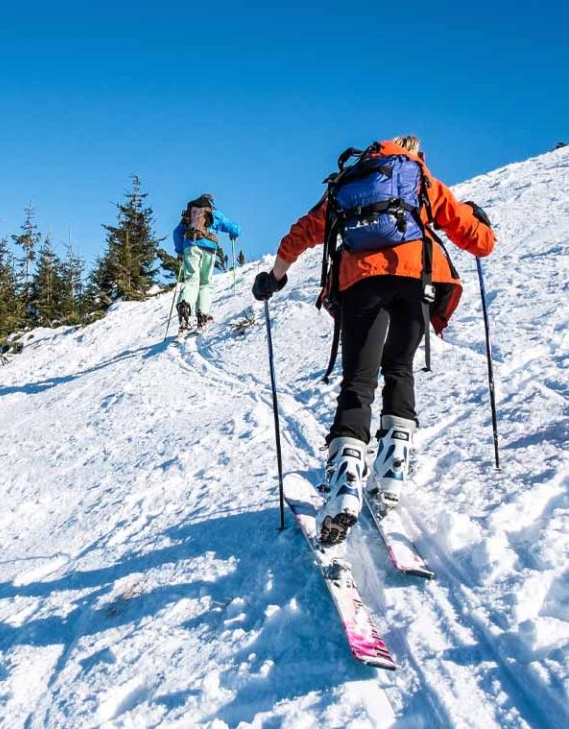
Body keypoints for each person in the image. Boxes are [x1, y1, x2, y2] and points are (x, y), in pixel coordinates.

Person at [252, 136, 496, 544]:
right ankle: (391, 472)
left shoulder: (349, 184)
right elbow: (480, 243)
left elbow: (301, 233)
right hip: (418, 281)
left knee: (358, 382)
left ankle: (345, 484)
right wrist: (481, 222)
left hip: (361, 283)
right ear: (414, 153)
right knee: (400, 368)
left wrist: (273, 278)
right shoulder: (420, 178)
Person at [173, 194, 240, 331]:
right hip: (209, 248)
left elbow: (177, 233)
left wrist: (180, 250)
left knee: (191, 280)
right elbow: (233, 227)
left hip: (190, 246)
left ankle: (184, 305)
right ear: (210, 203)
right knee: (205, 282)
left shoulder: (190, 214)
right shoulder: (214, 213)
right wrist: (234, 234)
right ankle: (203, 315)